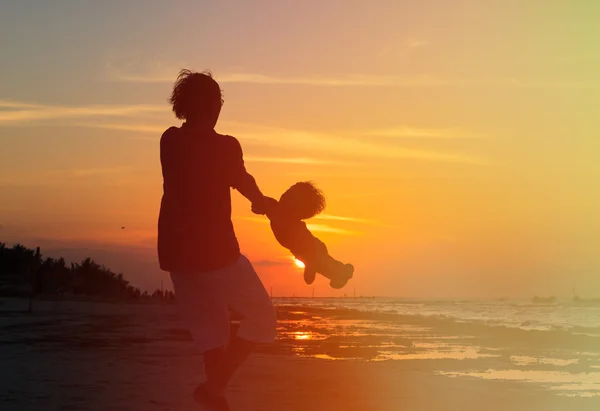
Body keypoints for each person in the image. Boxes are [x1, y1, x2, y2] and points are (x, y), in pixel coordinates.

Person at [157, 69, 276, 411]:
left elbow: (228, 176)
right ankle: (215, 387)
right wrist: (262, 202)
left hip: (177, 256)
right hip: (216, 252)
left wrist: (256, 197)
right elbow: (240, 178)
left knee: (212, 333)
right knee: (262, 318)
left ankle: (216, 399)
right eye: (218, 100)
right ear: (212, 105)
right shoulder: (224, 146)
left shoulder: (169, 140)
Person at [255, 181, 354, 289]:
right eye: (288, 191)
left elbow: (307, 246)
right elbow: (264, 202)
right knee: (324, 264)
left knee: (323, 264)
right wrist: (259, 205)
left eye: (290, 197)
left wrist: (309, 264)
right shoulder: (276, 207)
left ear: (300, 213)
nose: (285, 196)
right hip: (311, 249)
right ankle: (343, 272)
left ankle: (343, 272)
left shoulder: (294, 226)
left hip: (312, 249)